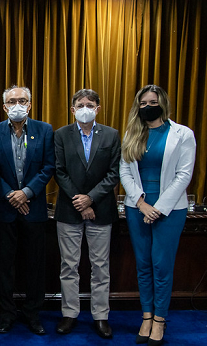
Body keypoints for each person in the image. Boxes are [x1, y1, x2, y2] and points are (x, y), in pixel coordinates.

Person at [120, 85, 196, 346]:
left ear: (162, 104)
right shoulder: (132, 134)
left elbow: (184, 175)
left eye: (152, 102)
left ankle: (160, 320)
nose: (147, 107)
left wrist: (158, 208)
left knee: (161, 266)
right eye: (142, 103)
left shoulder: (183, 134)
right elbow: (125, 172)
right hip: (136, 208)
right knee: (142, 265)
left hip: (170, 210)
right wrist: (141, 204)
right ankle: (146, 316)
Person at [0, 85, 55, 335]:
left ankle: (32, 312)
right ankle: (6, 313)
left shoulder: (44, 130)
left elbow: (49, 167)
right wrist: (10, 195)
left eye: (22, 100)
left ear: (30, 104)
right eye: (12, 101)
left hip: (33, 208)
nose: (18, 104)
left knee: (34, 265)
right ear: (4, 107)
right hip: (4, 209)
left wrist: (26, 192)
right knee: (4, 264)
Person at [53, 89, 120, 339]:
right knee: (69, 265)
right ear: (72, 109)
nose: (85, 107)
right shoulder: (60, 134)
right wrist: (80, 201)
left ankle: (101, 316)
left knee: (100, 266)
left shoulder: (112, 135)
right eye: (80, 104)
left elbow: (114, 172)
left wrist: (91, 198)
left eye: (90, 104)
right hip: (69, 210)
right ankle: (70, 313)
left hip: (101, 210)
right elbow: (59, 171)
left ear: (98, 108)